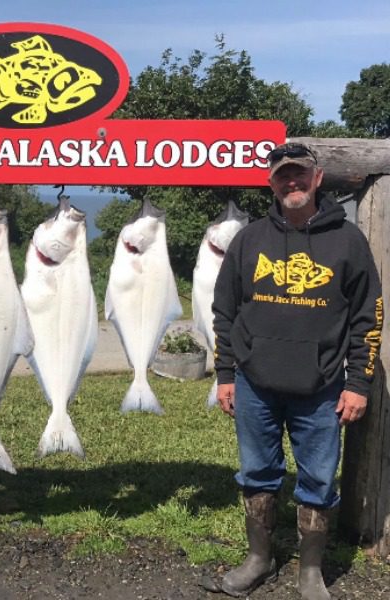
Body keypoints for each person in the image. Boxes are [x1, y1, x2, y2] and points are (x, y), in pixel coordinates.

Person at [210, 141, 383, 600]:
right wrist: (225, 373)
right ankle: (259, 558)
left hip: (323, 388)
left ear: (318, 177)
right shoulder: (249, 239)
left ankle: (310, 573)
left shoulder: (348, 241)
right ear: (271, 183)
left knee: (319, 481)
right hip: (254, 385)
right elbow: (224, 310)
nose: (293, 182)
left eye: (300, 174)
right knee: (256, 474)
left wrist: (359, 383)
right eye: (283, 175)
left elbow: (369, 314)